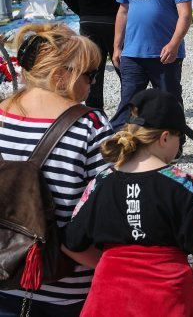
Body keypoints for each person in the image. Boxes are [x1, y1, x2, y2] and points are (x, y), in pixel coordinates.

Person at [63, 89, 193, 317]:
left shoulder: (102, 181)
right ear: (165, 138)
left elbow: (70, 243)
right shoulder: (183, 184)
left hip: (110, 298)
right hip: (167, 301)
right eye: (180, 137)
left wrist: (110, 269)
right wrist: (179, 287)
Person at [0, 23, 113, 316]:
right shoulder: (90, 128)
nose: (92, 84)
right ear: (61, 75)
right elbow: (109, 209)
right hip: (66, 285)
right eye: (89, 75)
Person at [109, 0, 193, 131]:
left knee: (168, 104)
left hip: (165, 54)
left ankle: (175, 144)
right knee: (129, 104)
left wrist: (173, 45)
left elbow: (185, 15)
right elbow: (123, 12)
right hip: (132, 54)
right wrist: (116, 47)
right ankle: (120, 146)